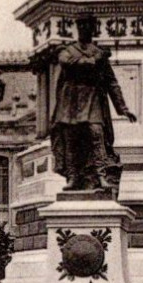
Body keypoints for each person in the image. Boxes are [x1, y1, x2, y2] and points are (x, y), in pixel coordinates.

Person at [50, 14, 137, 192]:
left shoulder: (99, 53)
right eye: (81, 26)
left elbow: (111, 82)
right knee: (71, 139)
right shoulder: (69, 50)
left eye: (87, 26)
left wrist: (123, 108)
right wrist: (95, 60)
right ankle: (73, 177)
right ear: (77, 28)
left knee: (97, 135)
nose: (84, 29)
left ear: (93, 29)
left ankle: (101, 176)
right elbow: (68, 63)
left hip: (92, 98)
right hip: (71, 101)